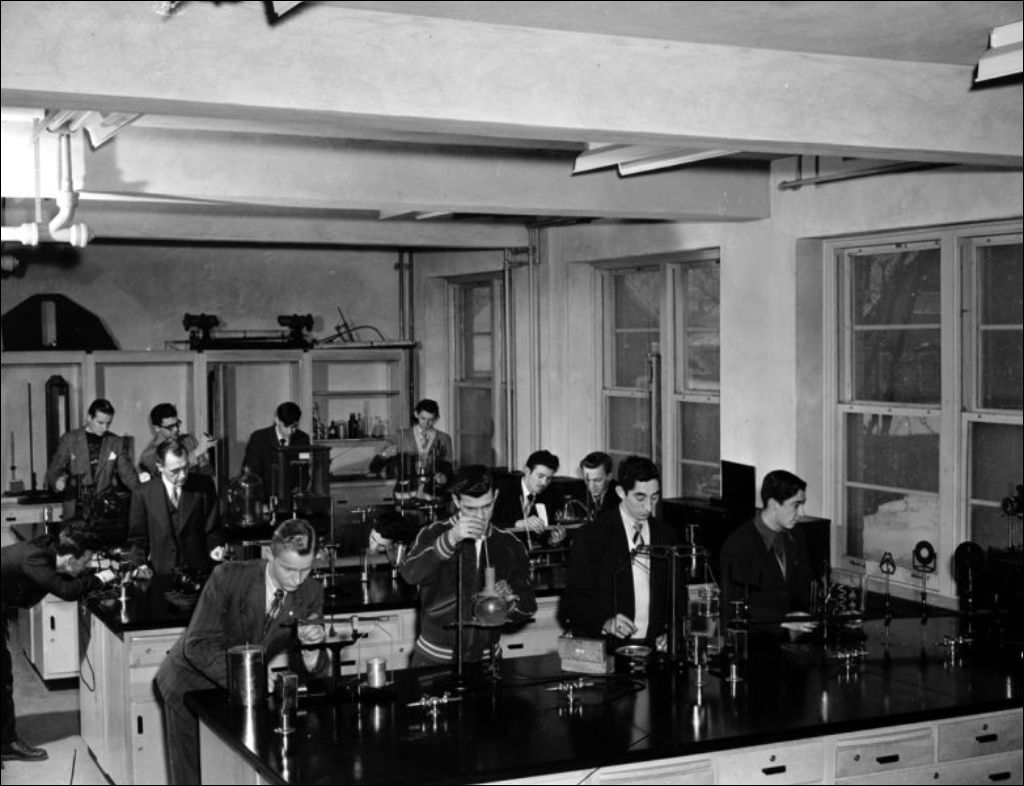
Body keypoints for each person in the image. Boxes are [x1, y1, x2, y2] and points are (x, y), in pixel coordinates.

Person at [154, 518, 327, 785]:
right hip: (190, 685)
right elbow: (197, 646)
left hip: (244, 693)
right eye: (289, 569)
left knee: (234, 772)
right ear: (270, 554)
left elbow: (316, 670)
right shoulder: (228, 577)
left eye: (305, 570)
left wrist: (311, 650)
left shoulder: (311, 591)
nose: (297, 579)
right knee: (194, 776)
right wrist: (253, 679)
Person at [2, 522, 116, 764]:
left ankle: (5, 741)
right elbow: (66, 590)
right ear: (70, 558)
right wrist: (102, 577)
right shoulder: (36, 558)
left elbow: (66, 576)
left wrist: (88, 575)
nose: (87, 566)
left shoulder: (50, 550)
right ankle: (7, 744)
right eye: (86, 561)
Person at [400, 465, 536, 665]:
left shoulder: (509, 544)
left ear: (496, 496)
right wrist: (451, 538)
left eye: (487, 506)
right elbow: (410, 574)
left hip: (487, 661)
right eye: (471, 508)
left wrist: (509, 603)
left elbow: (529, 605)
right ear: (456, 501)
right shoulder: (433, 533)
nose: (480, 516)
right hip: (434, 659)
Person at [558, 455, 678, 649]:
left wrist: (671, 631)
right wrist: (605, 623)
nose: (649, 507)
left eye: (654, 497)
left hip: (655, 649)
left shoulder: (667, 535)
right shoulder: (592, 536)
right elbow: (572, 603)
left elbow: (677, 596)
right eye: (640, 497)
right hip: (609, 649)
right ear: (621, 492)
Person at [719, 469, 813, 638]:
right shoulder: (738, 546)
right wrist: (783, 620)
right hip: (755, 640)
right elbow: (734, 607)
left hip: (795, 636)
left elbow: (803, 588)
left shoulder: (797, 536)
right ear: (773, 505)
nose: (801, 514)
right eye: (796, 505)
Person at [125, 438, 224, 576]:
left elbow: (213, 529)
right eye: (175, 470)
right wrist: (140, 565)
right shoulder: (143, 494)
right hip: (161, 575)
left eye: (186, 467)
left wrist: (215, 548)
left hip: (199, 573)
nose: (183, 475)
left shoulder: (204, 485)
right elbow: (137, 540)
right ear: (160, 467)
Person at [44, 398, 141, 521]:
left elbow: (128, 474)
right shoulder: (70, 439)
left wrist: (143, 493)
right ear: (89, 418)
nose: (104, 428)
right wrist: (57, 480)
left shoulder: (115, 442)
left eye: (108, 423)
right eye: (100, 423)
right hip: (75, 511)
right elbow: (53, 470)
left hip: (104, 511)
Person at [369, 399, 454, 499]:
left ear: (436, 418)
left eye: (430, 419)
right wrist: (385, 455)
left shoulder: (444, 439)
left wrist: (444, 477)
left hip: (433, 495)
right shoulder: (400, 436)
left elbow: (448, 469)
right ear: (416, 414)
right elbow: (374, 467)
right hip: (405, 495)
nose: (427, 423)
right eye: (423, 418)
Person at [492, 450, 564, 546]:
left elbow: (545, 536)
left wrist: (552, 541)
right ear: (527, 470)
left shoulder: (551, 496)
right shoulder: (504, 489)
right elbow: (490, 522)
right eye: (540, 476)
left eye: (549, 478)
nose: (544, 483)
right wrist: (517, 523)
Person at [241, 401, 311, 494]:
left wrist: (299, 491)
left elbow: (304, 472)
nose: (290, 432)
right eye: (286, 426)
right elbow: (251, 474)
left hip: (293, 497)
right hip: (265, 498)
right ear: (277, 420)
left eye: (294, 427)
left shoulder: (303, 439)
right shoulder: (259, 438)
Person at [138, 403, 215, 479]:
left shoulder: (188, 440)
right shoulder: (149, 455)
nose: (176, 429)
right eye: (170, 427)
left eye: (177, 424)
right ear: (156, 428)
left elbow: (205, 468)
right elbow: (164, 474)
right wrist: (196, 453)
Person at [579, 451, 621, 521]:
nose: (591, 486)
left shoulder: (620, 497)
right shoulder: (577, 494)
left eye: (597, 480)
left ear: (609, 477)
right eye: (587, 480)